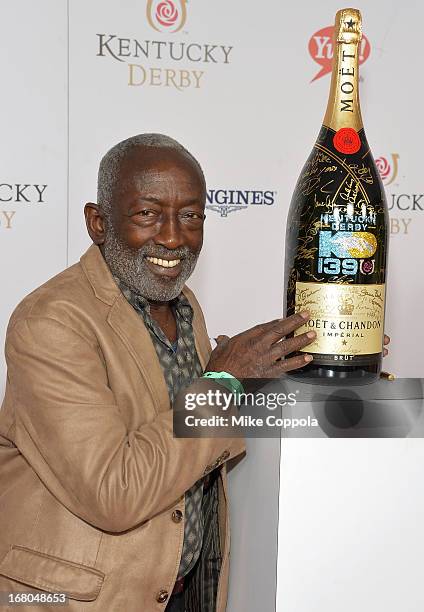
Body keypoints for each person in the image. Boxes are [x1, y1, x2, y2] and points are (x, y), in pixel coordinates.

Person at [0, 134, 389, 612]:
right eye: (148, 213)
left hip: (184, 593)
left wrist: (296, 363)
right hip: (81, 601)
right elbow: (113, 492)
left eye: (191, 216)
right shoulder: (51, 321)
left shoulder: (182, 306)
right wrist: (223, 382)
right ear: (98, 223)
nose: (173, 237)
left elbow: (185, 431)